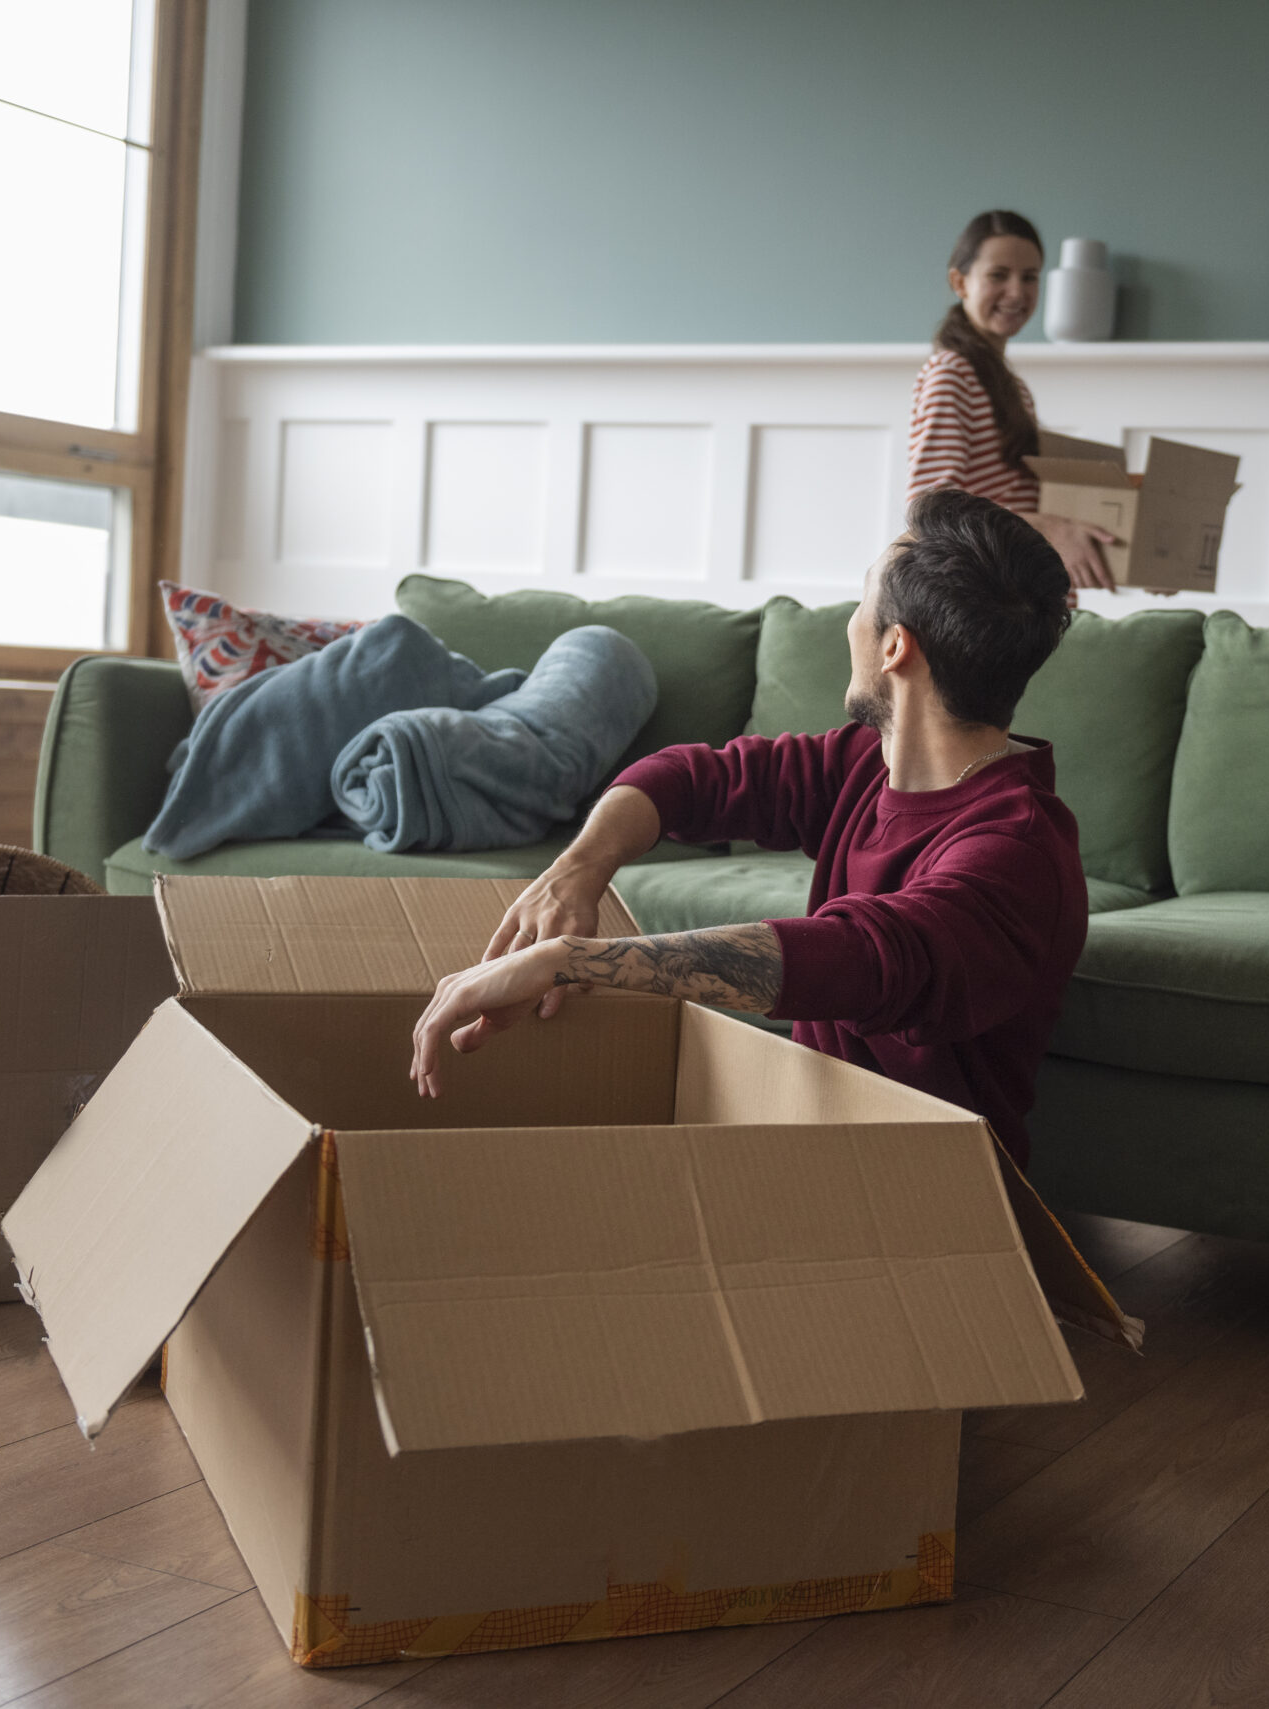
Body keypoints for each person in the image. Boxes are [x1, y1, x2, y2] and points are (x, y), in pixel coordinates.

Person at [407, 490, 1084, 1165]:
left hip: (926, 1187)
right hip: (807, 1150)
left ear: (894, 647)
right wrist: (577, 870)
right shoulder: (868, 763)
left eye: (861, 602)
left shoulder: (1016, 851)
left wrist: (567, 962)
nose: (849, 621)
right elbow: (691, 778)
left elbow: (863, 959)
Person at [907, 210, 1121, 594]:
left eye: (1030, 277)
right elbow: (932, 507)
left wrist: (1135, 555)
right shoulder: (951, 372)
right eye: (998, 275)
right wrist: (1049, 528)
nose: (1017, 292)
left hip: (1018, 601)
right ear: (960, 282)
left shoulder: (1013, 388)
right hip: (984, 606)